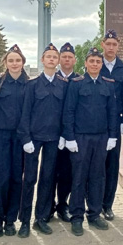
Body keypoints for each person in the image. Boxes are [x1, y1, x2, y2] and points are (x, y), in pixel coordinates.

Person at [62, 47, 118, 236]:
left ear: (102, 65)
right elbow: (68, 111)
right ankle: (76, 216)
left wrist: (112, 136)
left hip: (101, 137)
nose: (95, 64)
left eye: (98, 62)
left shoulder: (108, 84)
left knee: (97, 176)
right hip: (81, 138)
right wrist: (69, 137)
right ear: (85, 63)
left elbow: (112, 112)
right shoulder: (76, 84)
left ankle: (94, 214)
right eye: (91, 61)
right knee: (78, 177)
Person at [17, 43, 68, 237]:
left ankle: (40, 218)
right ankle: (24, 220)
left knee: (48, 179)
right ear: (42, 60)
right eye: (48, 56)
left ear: (58, 61)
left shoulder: (63, 84)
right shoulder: (32, 85)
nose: (52, 60)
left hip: (53, 139)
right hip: (34, 139)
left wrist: (64, 134)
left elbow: (65, 113)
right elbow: (25, 113)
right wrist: (25, 138)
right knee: (29, 179)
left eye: (55, 57)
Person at [0, 44, 29, 238]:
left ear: (23, 63)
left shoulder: (29, 83)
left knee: (16, 179)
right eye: (11, 60)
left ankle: (11, 220)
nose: (14, 63)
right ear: (5, 62)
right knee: (1, 179)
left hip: (20, 138)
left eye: (18, 60)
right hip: (0, 136)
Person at [99, 29, 123, 221]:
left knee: (111, 164)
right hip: (96, 122)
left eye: (114, 44)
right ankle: (93, 202)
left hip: (115, 122)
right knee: (95, 164)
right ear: (103, 44)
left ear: (118, 46)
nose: (111, 47)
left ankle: (107, 205)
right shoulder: (94, 63)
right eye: (108, 44)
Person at [48, 42, 81, 223]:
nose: (67, 59)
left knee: (68, 172)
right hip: (52, 134)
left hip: (72, 136)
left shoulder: (79, 79)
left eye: (70, 57)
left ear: (75, 60)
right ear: (59, 59)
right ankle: (48, 205)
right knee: (51, 171)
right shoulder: (54, 77)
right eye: (64, 56)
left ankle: (63, 204)